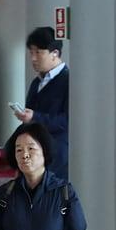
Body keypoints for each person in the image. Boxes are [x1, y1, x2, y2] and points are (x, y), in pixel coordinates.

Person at [15, 27, 71, 180]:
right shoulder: (36, 82)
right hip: (36, 157)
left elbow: (67, 121)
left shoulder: (68, 81)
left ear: (55, 54)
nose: (33, 58)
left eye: (38, 52)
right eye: (31, 52)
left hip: (58, 157)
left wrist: (35, 117)